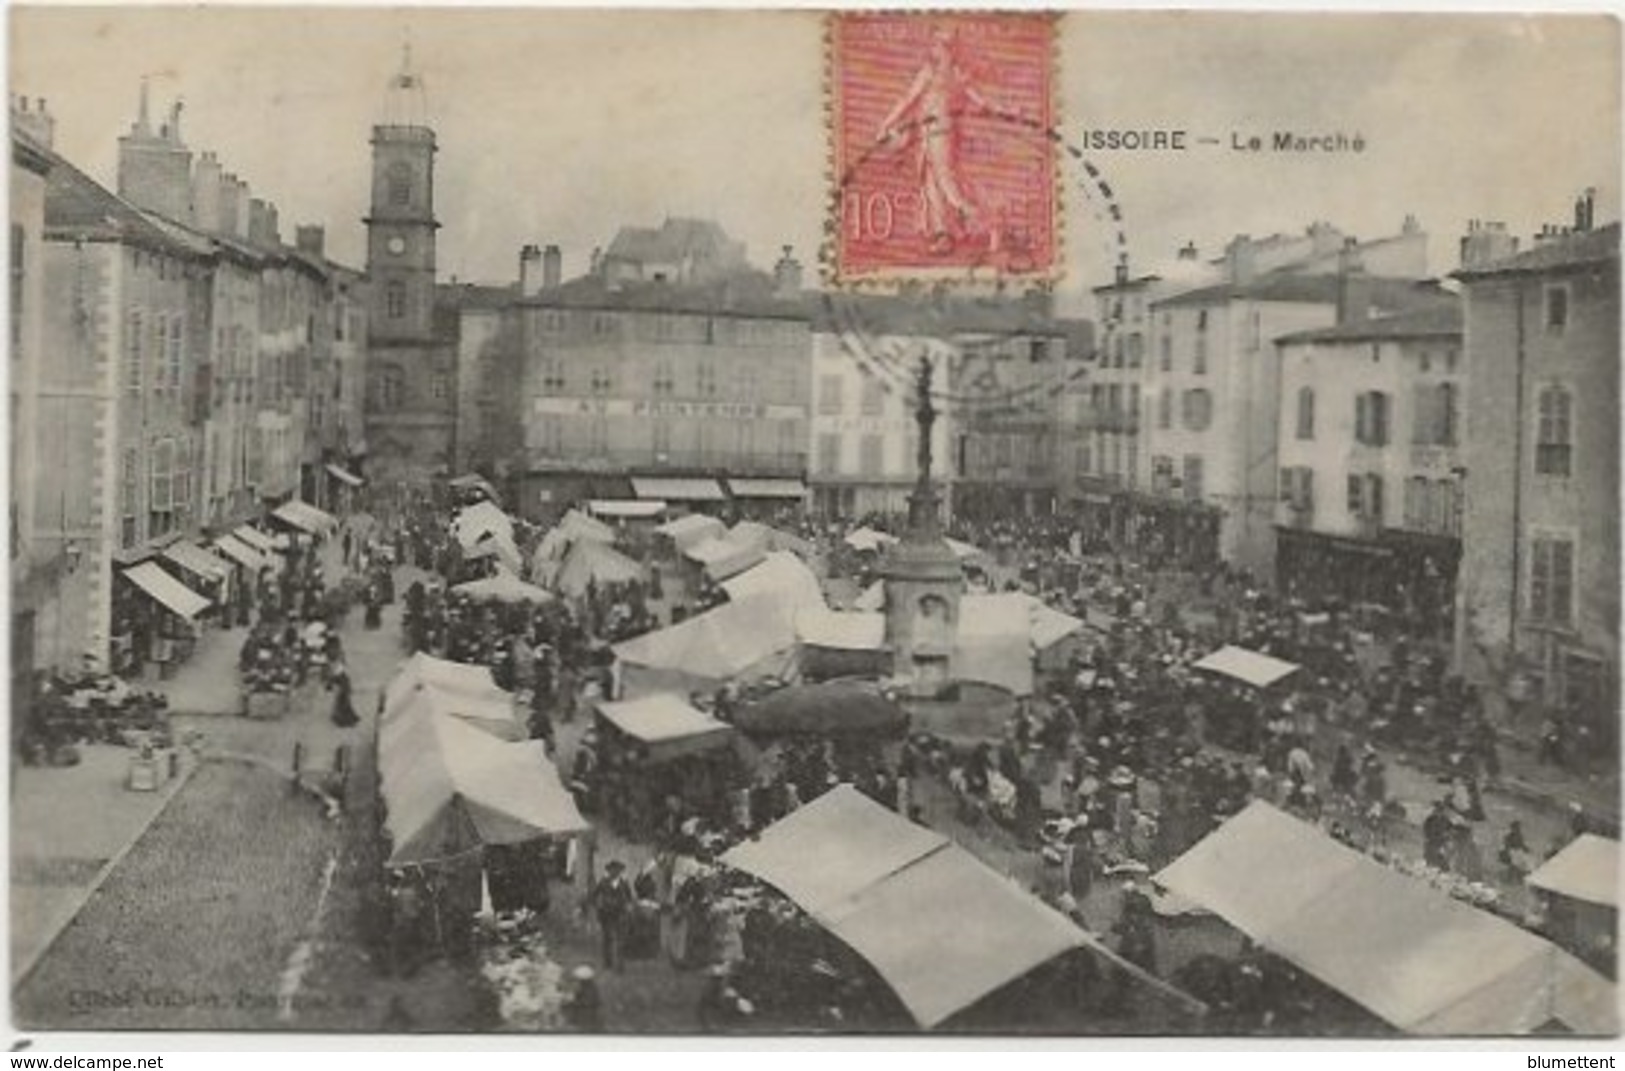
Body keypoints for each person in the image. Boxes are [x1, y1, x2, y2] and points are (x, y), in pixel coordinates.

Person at [589, 860, 635, 972]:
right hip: (606, 914)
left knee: (620, 940)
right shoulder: (603, 882)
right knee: (607, 939)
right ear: (608, 871)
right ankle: (607, 962)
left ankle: (620, 966)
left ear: (620, 872)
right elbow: (593, 896)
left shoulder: (624, 884)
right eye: (612, 870)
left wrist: (628, 908)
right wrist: (598, 905)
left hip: (620, 914)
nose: (614, 872)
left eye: (617, 870)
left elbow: (629, 898)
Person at [563, 965, 604, 1032]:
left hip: (587, 1012)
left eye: (579, 979)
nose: (577, 981)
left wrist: (574, 1002)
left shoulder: (590, 988)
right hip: (586, 1010)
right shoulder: (586, 986)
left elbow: (588, 1001)